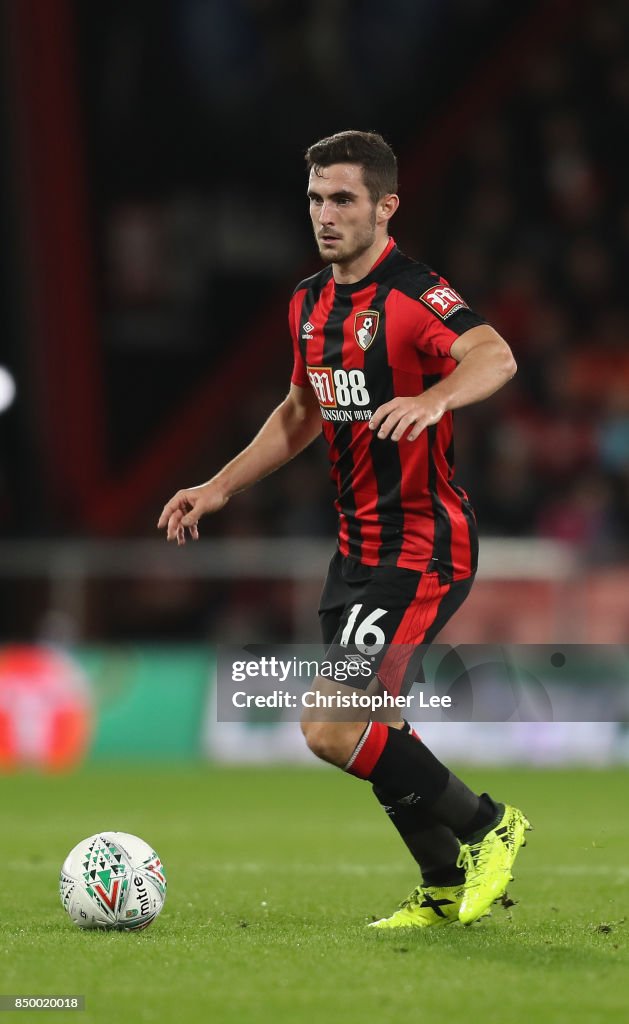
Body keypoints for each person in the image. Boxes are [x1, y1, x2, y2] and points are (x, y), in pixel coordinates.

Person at [158, 130, 531, 928]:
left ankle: (487, 825)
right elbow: (299, 411)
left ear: (385, 206)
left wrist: (437, 397)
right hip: (357, 553)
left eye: (342, 200)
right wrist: (219, 486)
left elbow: (492, 354)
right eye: (315, 200)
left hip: (421, 545)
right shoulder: (307, 302)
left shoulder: (413, 294)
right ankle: (440, 887)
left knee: (330, 725)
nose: (324, 216)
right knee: (379, 725)